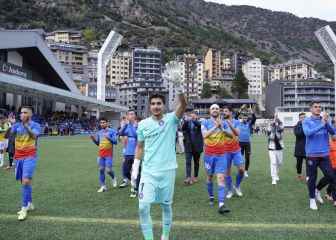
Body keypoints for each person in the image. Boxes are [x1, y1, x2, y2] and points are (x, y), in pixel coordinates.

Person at [131, 92, 187, 240]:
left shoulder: (171, 120)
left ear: (164, 106)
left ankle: (165, 236)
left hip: (168, 171)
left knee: (166, 206)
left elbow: (184, 105)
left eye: (159, 103)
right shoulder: (143, 124)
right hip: (148, 172)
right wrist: (135, 167)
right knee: (143, 207)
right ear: (150, 106)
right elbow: (140, 147)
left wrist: (180, 90)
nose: (156, 106)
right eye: (153, 104)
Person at [6, 106, 41, 221]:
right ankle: (30, 203)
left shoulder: (35, 125)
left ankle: (24, 208)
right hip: (18, 157)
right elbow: (8, 135)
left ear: (30, 115)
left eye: (25, 112)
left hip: (30, 156)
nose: (22, 114)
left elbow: (34, 136)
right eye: (21, 113)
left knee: (25, 181)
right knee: (24, 182)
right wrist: (10, 124)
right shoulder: (17, 125)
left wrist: (26, 126)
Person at [302, 100, 336, 210]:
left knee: (331, 176)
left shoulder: (324, 120)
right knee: (312, 178)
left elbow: (333, 132)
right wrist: (322, 125)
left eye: (319, 107)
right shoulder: (306, 121)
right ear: (311, 109)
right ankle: (312, 199)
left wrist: (327, 122)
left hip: (325, 154)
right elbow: (308, 133)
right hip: (312, 154)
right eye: (316, 106)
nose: (318, 108)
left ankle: (317, 190)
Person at [201, 104, 232, 214]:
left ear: (220, 111)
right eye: (213, 108)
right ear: (210, 111)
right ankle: (211, 196)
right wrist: (215, 127)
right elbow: (204, 135)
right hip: (209, 155)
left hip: (221, 155)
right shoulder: (204, 122)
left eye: (217, 109)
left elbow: (231, 136)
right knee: (209, 177)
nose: (215, 110)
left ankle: (221, 204)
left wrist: (222, 129)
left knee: (221, 178)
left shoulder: (224, 123)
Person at [222, 105, 245, 199]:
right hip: (226, 151)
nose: (224, 113)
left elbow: (237, 134)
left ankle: (237, 186)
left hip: (236, 150)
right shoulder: (222, 123)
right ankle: (230, 189)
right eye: (223, 111)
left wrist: (230, 125)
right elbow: (224, 133)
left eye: (226, 111)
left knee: (241, 170)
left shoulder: (236, 122)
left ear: (231, 112)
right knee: (227, 172)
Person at [90, 117, 118, 193]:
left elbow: (115, 142)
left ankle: (114, 177)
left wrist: (109, 138)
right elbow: (98, 143)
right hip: (101, 154)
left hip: (109, 154)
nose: (102, 124)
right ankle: (103, 186)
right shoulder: (99, 132)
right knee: (101, 170)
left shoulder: (112, 131)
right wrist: (93, 139)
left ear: (107, 123)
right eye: (101, 123)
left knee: (108, 170)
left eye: (103, 122)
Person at [316, 117, 336, 207]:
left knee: (332, 179)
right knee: (330, 177)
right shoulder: (330, 127)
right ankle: (320, 190)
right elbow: (333, 137)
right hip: (330, 157)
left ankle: (330, 194)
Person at [119, 110, 138, 197]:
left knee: (135, 172)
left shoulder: (138, 125)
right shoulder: (127, 126)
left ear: (134, 116)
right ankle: (135, 183)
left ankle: (134, 189)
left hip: (136, 153)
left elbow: (135, 135)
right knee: (126, 172)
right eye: (129, 114)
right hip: (127, 153)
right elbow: (120, 133)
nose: (130, 115)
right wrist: (126, 124)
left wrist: (131, 125)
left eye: (132, 114)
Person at [182, 110, 203, 185]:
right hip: (188, 145)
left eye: (194, 115)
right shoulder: (187, 123)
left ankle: (195, 176)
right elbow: (183, 128)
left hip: (197, 146)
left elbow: (198, 125)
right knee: (188, 161)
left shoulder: (199, 123)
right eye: (191, 115)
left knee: (196, 162)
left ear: (197, 116)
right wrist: (187, 121)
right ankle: (188, 177)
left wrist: (193, 120)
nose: (192, 116)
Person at [236, 107, 256, 178]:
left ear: (247, 118)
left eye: (245, 118)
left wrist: (252, 112)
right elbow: (235, 117)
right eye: (243, 118)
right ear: (241, 118)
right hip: (240, 143)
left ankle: (246, 171)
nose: (244, 119)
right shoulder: (238, 123)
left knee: (247, 158)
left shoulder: (249, 124)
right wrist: (240, 110)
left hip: (247, 143)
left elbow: (254, 119)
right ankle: (240, 170)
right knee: (240, 158)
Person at [267, 114, 284, 185]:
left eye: (276, 118)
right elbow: (269, 131)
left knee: (279, 163)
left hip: (279, 147)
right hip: (271, 147)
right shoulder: (270, 125)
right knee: (273, 163)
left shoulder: (281, 124)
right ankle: (273, 178)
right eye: (273, 118)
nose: (274, 119)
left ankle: (276, 174)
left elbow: (281, 130)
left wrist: (277, 122)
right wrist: (273, 122)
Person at [293, 112, 306, 181]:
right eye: (302, 118)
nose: (303, 119)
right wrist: (303, 125)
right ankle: (299, 175)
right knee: (299, 163)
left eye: (304, 117)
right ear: (299, 118)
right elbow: (298, 134)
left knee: (309, 163)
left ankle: (308, 176)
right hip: (299, 148)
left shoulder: (308, 125)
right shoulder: (296, 126)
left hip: (307, 148)